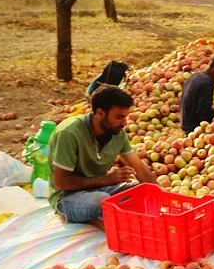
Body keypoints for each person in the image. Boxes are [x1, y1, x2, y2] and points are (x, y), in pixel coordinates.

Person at [49, 86, 156, 228]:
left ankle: (101, 217)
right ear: (100, 113)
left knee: (139, 191)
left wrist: (159, 197)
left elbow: (140, 169)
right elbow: (61, 182)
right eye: (119, 117)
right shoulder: (69, 133)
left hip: (98, 188)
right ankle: (94, 220)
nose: (124, 123)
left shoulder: (117, 133)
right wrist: (107, 180)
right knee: (100, 200)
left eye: (125, 117)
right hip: (67, 197)